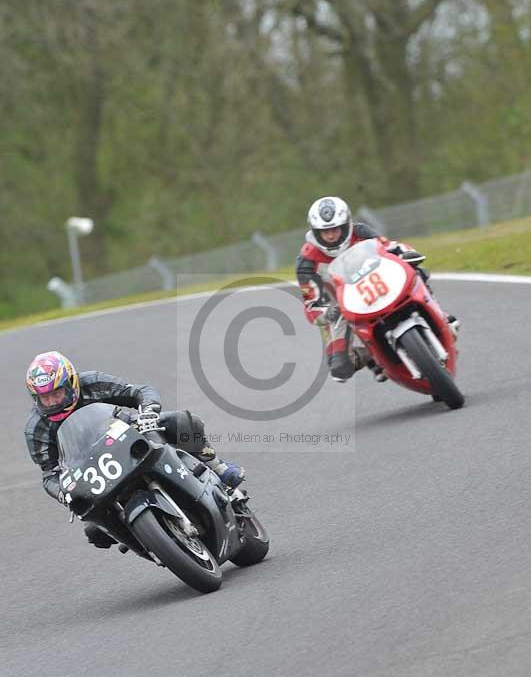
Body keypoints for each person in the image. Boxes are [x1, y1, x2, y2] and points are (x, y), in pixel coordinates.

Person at [24, 351, 246, 548]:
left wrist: (148, 412)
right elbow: (50, 473)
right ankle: (141, 539)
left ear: (71, 383)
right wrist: (63, 493)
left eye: (57, 393)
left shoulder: (92, 382)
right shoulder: (36, 429)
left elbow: (139, 391)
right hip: (90, 468)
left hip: (124, 432)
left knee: (180, 421)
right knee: (94, 530)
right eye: (45, 397)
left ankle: (218, 469)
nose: (52, 402)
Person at [296, 196, 459, 383]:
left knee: (416, 270)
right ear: (314, 232)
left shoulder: (360, 231)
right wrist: (328, 312)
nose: (331, 236)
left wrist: (405, 253)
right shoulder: (306, 262)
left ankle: (441, 314)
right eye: (325, 231)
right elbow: (311, 305)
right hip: (339, 308)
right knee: (340, 368)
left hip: (378, 283)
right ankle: (372, 356)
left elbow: (389, 247)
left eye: (335, 229)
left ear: (346, 225)